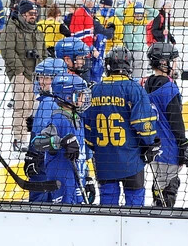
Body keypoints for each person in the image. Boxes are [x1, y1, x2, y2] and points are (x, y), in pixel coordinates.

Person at [85, 47, 160, 206]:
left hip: (104, 159)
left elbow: (88, 126)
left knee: (108, 204)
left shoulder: (95, 89)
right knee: (134, 203)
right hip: (130, 159)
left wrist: (94, 147)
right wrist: (150, 143)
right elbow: (143, 124)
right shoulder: (134, 89)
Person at [144, 42, 188, 207]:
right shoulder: (170, 89)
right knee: (168, 191)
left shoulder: (147, 84)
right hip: (169, 148)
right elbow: (176, 121)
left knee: (158, 185)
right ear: (163, 63)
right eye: (173, 60)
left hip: (154, 148)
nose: (176, 64)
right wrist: (184, 144)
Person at [32, 73, 91, 204]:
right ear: (70, 96)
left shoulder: (77, 118)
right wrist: (60, 142)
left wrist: (87, 177)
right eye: (80, 94)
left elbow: (80, 154)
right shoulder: (58, 119)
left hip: (76, 181)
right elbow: (38, 142)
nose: (84, 98)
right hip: (62, 183)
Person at [0, 0, 47, 151]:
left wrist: (44, 68)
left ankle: (34, 138)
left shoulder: (37, 30)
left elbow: (43, 51)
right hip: (20, 74)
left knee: (35, 108)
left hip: (36, 75)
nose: (34, 16)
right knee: (22, 107)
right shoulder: (11, 28)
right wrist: (19, 70)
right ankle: (19, 139)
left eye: (35, 13)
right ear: (22, 14)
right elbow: (7, 50)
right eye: (30, 13)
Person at [23, 57, 68, 202]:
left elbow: (40, 137)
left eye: (47, 77)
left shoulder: (48, 103)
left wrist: (33, 155)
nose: (42, 81)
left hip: (45, 164)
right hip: (54, 164)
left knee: (40, 202)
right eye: (40, 77)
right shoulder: (63, 100)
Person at [119, 0, 150, 79]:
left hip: (140, 52)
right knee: (126, 78)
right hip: (128, 51)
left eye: (141, 13)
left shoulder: (144, 21)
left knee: (139, 78)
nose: (139, 15)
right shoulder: (126, 20)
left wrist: (143, 5)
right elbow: (117, 11)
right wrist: (128, 5)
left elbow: (155, 12)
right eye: (137, 13)